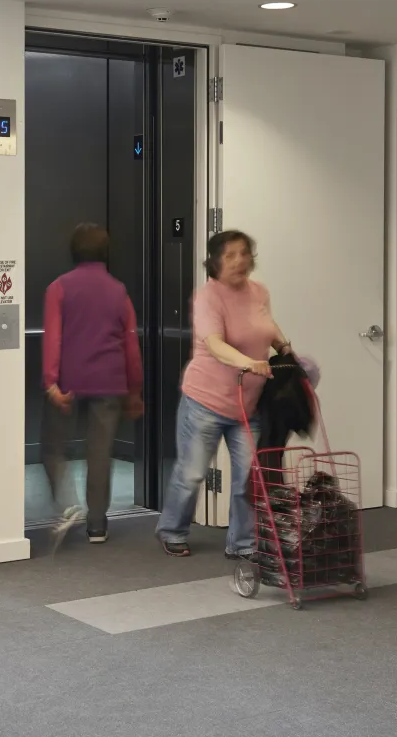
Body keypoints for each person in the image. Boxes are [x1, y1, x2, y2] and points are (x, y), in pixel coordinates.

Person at [156, 230, 292, 558]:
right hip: (205, 401)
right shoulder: (207, 296)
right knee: (192, 473)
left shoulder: (259, 292)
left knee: (249, 478)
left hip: (249, 405)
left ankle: (243, 544)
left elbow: (267, 326)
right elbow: (215, 344)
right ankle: (172, 529)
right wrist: (249, 363)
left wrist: (285, 349)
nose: (240, 261)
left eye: (244, 253)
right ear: (215, 261)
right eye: (230, 255)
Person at [42, 224, 143, 546]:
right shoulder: (119, 291)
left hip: (69, 382)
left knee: (52, 449)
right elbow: (130, 344)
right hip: (110, 381)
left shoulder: (59, 288)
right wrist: (135, 389)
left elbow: (53, 338)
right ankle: (97, 525)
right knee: (99, 454)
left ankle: (68, 503)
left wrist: (50, 382)